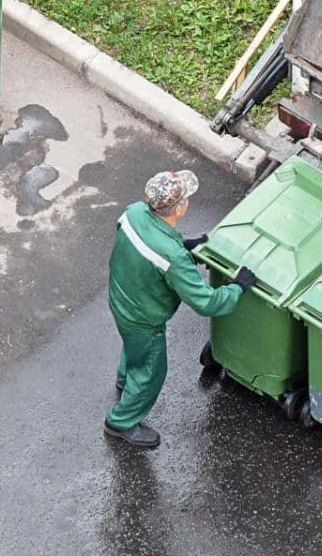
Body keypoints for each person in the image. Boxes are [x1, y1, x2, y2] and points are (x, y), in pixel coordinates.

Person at [104, 170, 257, 448]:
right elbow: (207, 302)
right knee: (151, 371)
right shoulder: (173, 259)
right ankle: (121, 422)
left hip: (120, 298)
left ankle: (124, 381)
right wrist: (239, 287)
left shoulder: (134, 212)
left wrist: (183, 246)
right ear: (179, 208)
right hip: (143, 318)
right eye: (186, 197)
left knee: (133, 347)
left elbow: (146, 245)